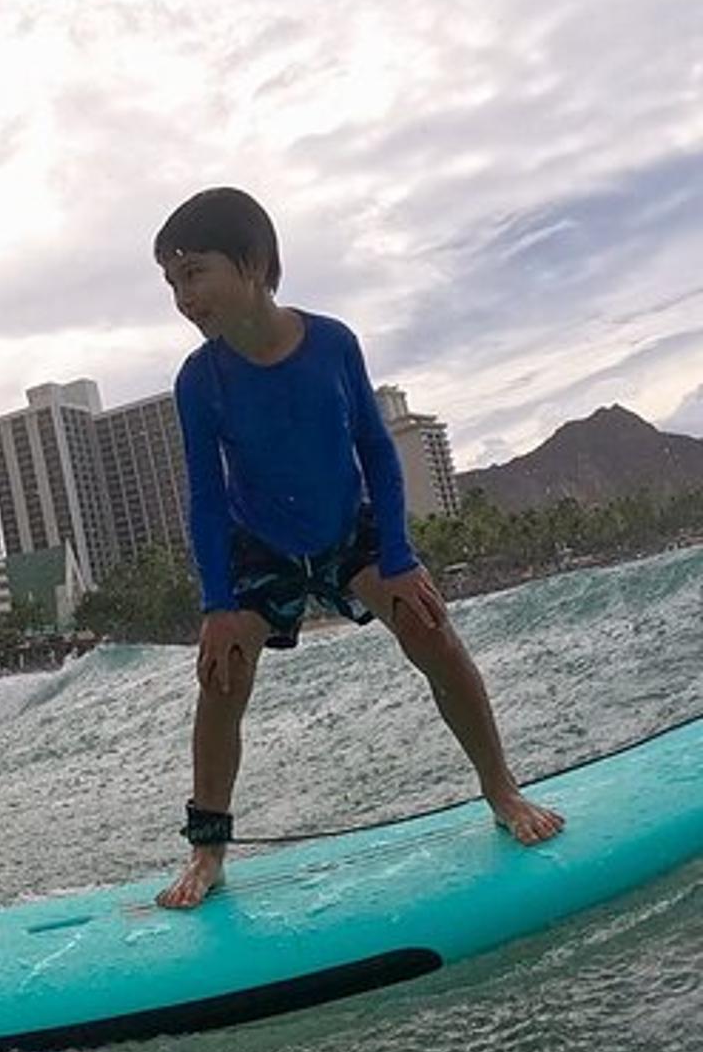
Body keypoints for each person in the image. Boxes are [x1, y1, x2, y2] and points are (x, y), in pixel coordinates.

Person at [152, 187, 564, 910]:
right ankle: (208, 848)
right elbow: (207, 498)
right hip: (263, 544)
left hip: (349, 529)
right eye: (171, 282)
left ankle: (501, 789)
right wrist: (218, 604)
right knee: (222, 680)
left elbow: (376, 449)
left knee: (432, 631)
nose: (183, 297)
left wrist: (399, 558)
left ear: (253, 264)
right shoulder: (199, 379)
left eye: (194, 273)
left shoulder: (333, 343)